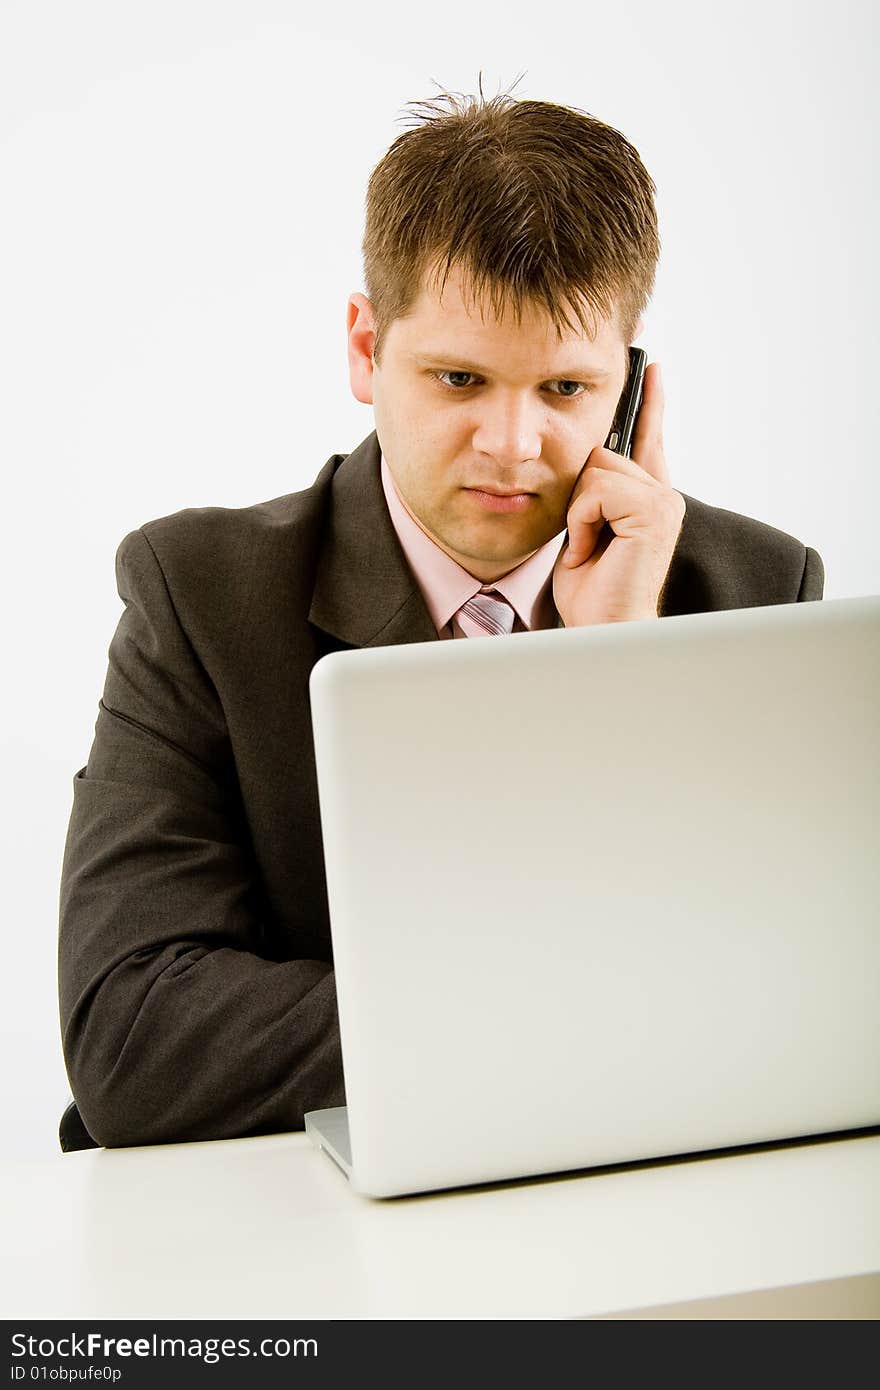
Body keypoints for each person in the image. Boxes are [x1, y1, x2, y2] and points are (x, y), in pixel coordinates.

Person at [58, 87, 824, 1149]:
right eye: (459, 378)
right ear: (367, 350)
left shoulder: (752, 589)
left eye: (565, 387)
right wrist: (571, 1013)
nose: (513, 444)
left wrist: (628, 675)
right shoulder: (197, 589)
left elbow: (790, 1004)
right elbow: (135, 1040)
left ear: (630, 384)